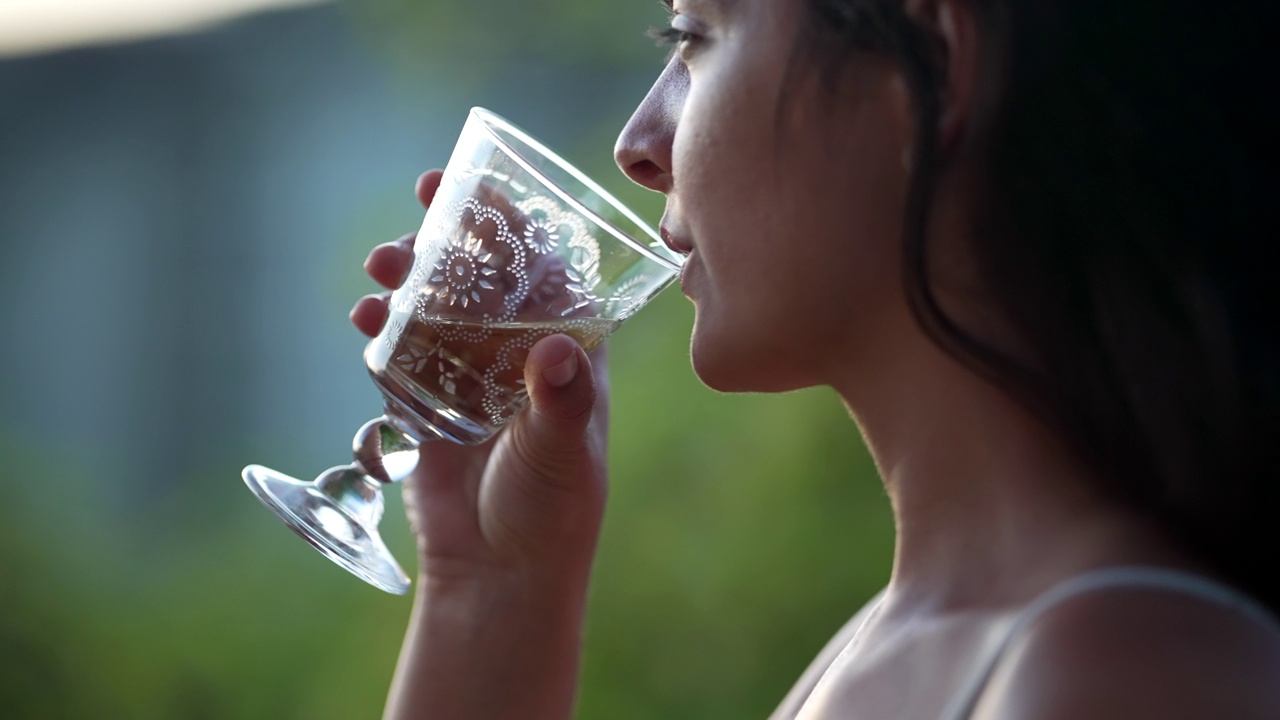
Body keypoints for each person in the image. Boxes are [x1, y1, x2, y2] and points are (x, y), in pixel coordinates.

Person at [349, 0, 1280, 717]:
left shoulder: (1121, 671)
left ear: (935, 70)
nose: (639, 145)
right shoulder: (902, 642)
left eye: (696, 38)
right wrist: (495, 584)